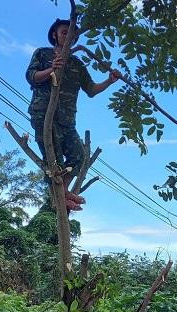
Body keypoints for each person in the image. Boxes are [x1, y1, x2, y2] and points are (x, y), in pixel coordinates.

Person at [26, 18, 122, 212]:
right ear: (55, 35)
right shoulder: (43, 54)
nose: (68, 36)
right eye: (64, 32)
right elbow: (31, 77)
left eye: (72, 34)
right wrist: (52, 69)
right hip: (44, 114)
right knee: (54, 161)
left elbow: (91, 89)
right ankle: (60, 197)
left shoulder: (77, 65)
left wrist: (109, 81)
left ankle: (63, 191)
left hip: (67, 119)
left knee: (79, 155)